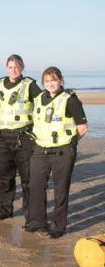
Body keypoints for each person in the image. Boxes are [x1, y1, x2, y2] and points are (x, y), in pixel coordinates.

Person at [24, 67, 88, 239]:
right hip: (39, 150)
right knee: (36, 186)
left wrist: (69, 145)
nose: (50, 84)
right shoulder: (38, 99)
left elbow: (82, 128)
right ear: (43, 83)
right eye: (47, 81)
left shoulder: (70, 100)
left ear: (60, 80)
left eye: (53, 80)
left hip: (62, 152)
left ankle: (58, 226)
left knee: (60, 190)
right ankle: (37, 222)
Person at [0, 55, 41, 222]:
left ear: (22, 68)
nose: (13, 70)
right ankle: (4, 209)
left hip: (23, 138)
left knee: (27, 177)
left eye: (16, 67)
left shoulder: (30, 85)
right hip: (1, 138)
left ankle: (30, 214)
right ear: (6, 68)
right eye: (10, 67)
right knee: (4, 176)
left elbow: (42, 106)